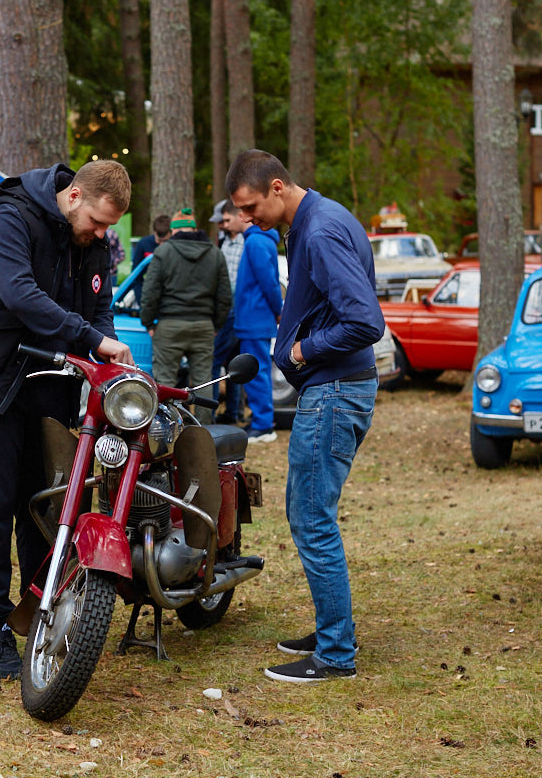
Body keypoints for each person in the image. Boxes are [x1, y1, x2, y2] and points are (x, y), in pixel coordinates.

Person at [0, 160, 134, 681]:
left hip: (49, 388)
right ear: (72, 198)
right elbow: (19, 293)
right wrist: (92, 340)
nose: (103, 234)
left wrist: (104, 347)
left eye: (109, 226)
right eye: (98, 221)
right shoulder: (9, 220)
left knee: (48, 506)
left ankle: (40, 613)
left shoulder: (93, 243)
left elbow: (101, 308)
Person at [226, 149, 384, 683]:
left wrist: (302, 352)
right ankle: (331, 628)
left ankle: (336, 654)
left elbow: (365, 322)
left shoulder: (317, 232)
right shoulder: (318, 219)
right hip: (335, 389)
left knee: (312, 519)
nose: (247, 220)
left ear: (276, 187)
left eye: (250, 208)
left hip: (335, 391)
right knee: (309, 513)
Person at [140, 207, 232, 423]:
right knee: (204, 381)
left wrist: (148, 322)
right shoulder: (215, 253)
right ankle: (204, 434)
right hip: (203, 326)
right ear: (195, 228)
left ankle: (165, 432)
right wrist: (215, 326)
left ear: (173, 231)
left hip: (169, 325)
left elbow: (150, 291)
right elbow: (225, 296)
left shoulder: (163, 252)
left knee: (165, 383)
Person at [232, 219, 282, 443]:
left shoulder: (255, 241)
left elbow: (269, 281)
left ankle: (263, 425)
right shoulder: (260, 240)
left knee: (257, 371)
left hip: (255, 317)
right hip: (256, 317)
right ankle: (261, 420)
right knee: (257, 370)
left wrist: (278, 310)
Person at [211, 200, 247, 423]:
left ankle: (214, 412)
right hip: (228, 308)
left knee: (216, 360)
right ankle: (232, 413)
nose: (221, 225)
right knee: (233, 363)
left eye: (225, 221)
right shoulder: (224, 241)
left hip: (235, 310)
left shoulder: (246, 242)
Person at [130, 214, 171, 304]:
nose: (161, 245)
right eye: (159, 241)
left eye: (165, 241)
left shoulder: (175, 245)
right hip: (150, 293)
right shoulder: (144, 244)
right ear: (154, 232)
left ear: (170, 233)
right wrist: (141, 300)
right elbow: (136, 275)